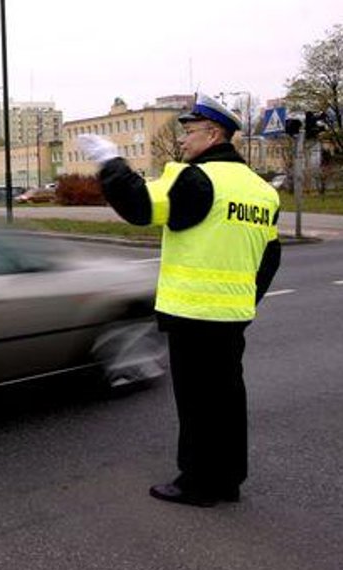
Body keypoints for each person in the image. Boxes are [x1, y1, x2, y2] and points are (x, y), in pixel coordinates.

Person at [77, 93, 282, 507]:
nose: (183, 141)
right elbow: (270, 256)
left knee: (197, 404)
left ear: (213, 133)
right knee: (227, 400)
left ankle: (198, 484)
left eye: (189, 132)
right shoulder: (261, 191)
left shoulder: (196, 180)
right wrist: (244, 298)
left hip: (194, 314)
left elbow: (139, 205)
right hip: (232, 314)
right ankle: (227, 480)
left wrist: (112, 162)